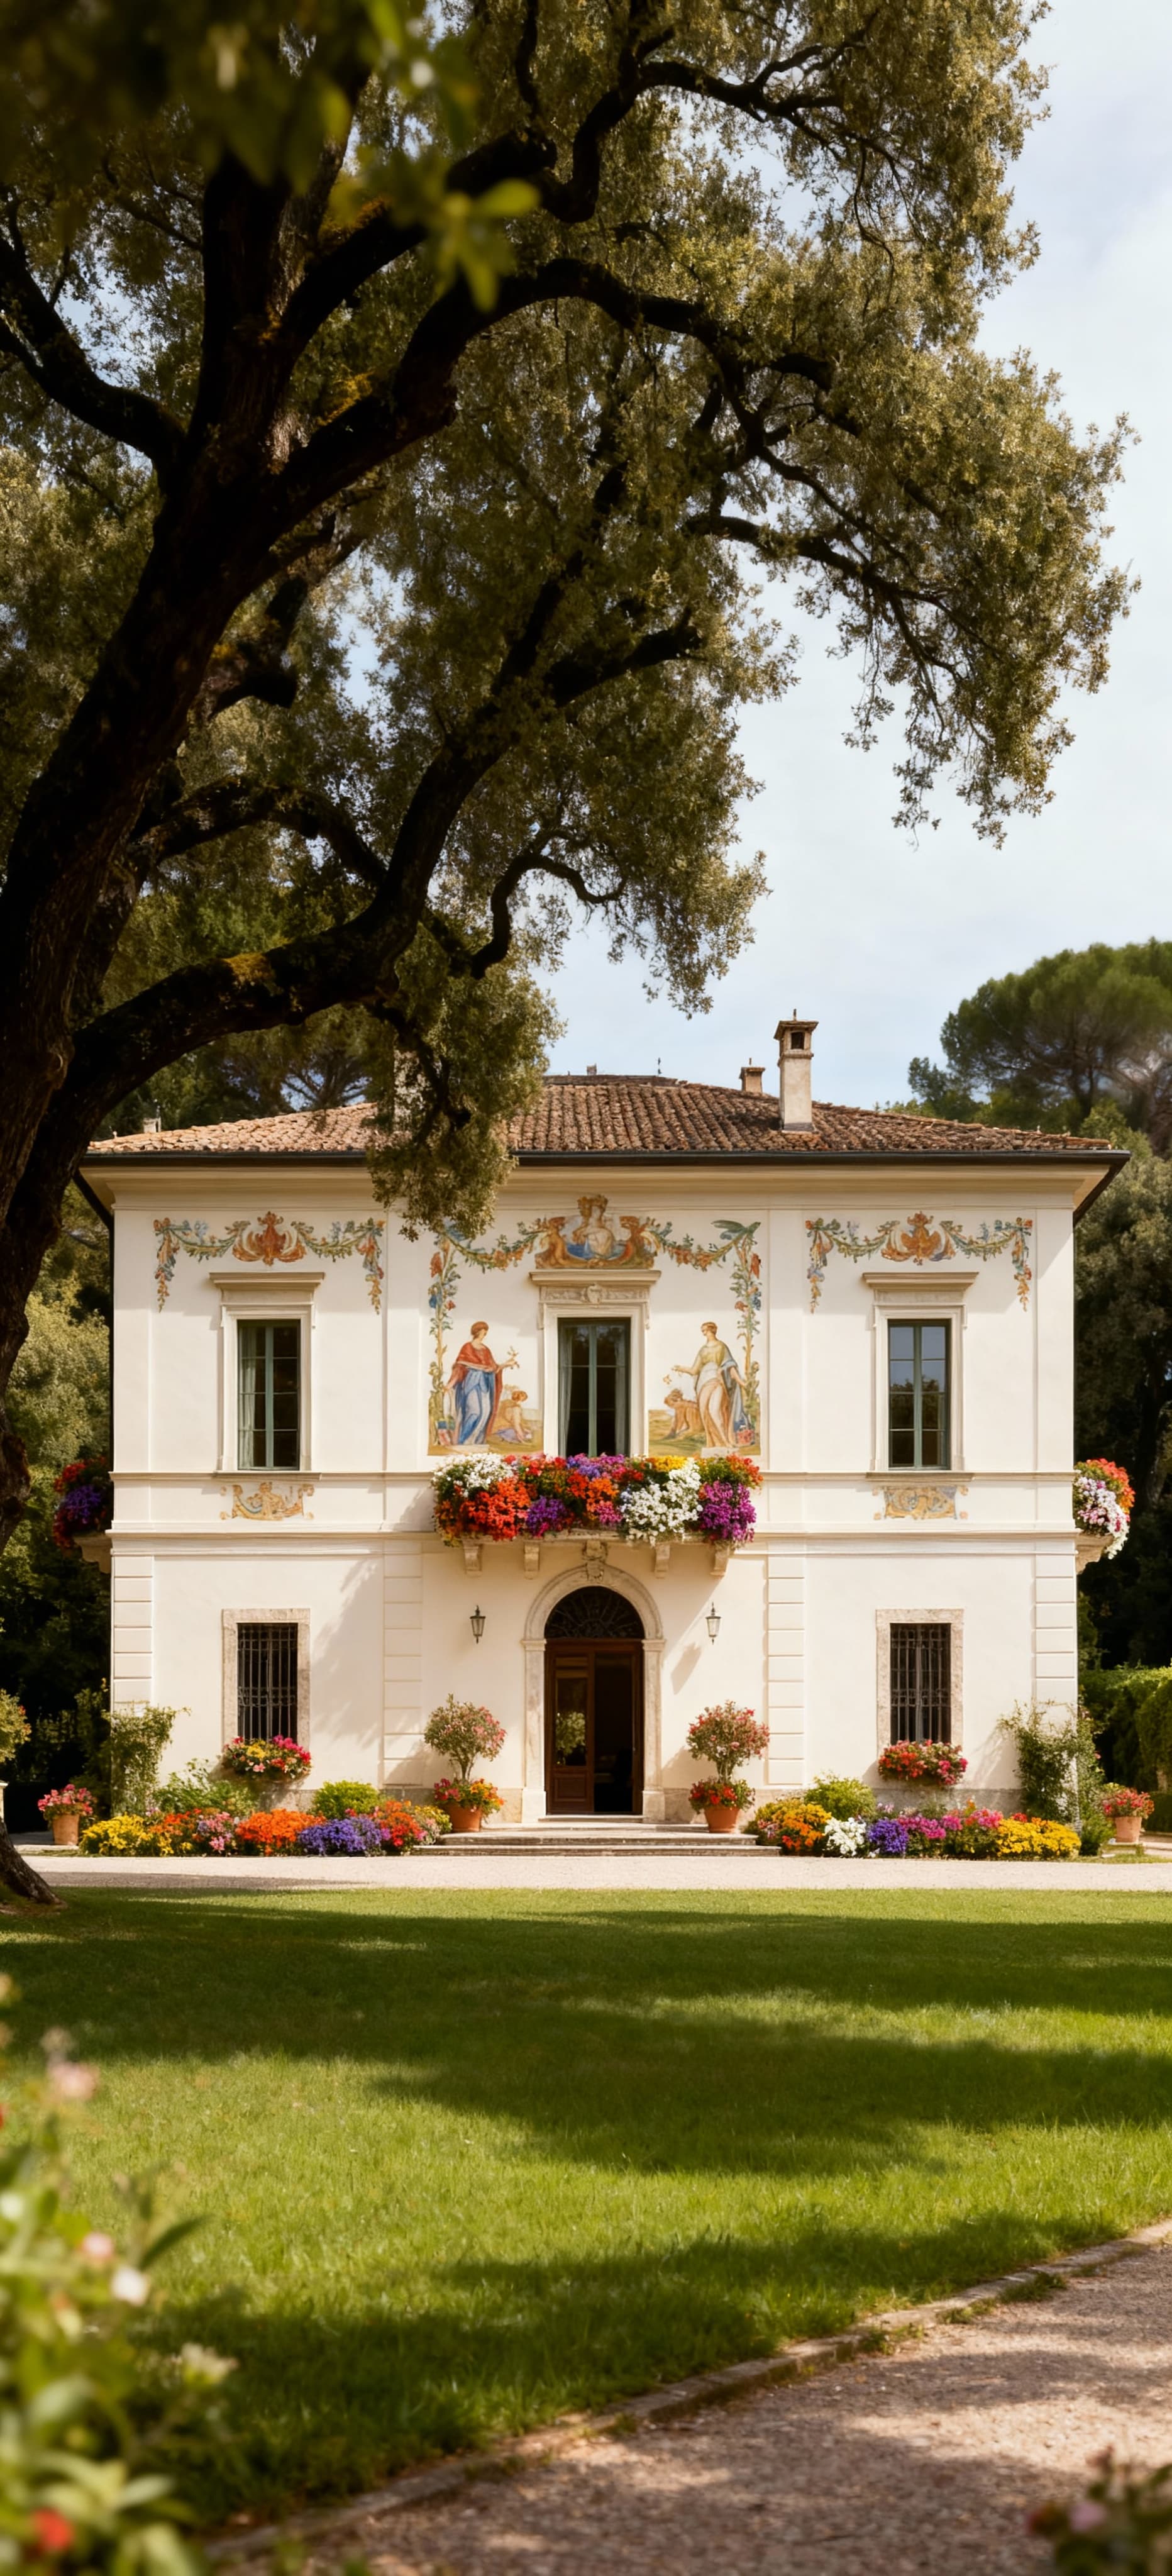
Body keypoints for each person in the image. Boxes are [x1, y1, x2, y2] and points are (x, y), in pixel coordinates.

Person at [671, 1323, 748, 1452]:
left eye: (705, 1331)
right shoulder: (703, 1350)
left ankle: (726, 1442)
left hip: (717, 1381)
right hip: (703, 1383)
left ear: (711, 1331)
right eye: (703, 1331)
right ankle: (714, 1444)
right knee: (705, 1413)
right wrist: (680, 1368)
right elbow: (694, 1370)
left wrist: (741, 1382)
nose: (704, 1333)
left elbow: (730, 1366)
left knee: (714, 1411)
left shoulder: (721, 1346)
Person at [445, 1324, 504, 1445]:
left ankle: (476, 1440)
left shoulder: (486, 1349)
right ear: (477, 1332)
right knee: (474, 1412)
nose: (485, 1335)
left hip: (485, 1383)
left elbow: (493, 1367)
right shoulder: (467, 1347)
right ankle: (463, 1440)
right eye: (484, 1332)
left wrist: (505, 1365)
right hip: (471, 1382)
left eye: (486, 1332)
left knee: (486, 1412)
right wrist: (482, 1368)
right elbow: (461, 1363)